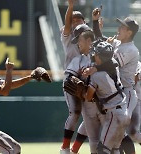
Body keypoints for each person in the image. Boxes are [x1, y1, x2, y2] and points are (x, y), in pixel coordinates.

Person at [84, 8, 140, 153]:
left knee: (123, 132)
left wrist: (96, 69)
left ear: (129, 32)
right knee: (118, 136)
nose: (119, 28)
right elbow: (101, 46)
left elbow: (112, 63)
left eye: (123, 27)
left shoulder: (131, 49)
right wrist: (95, 22)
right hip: (117, 91)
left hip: (126, 93)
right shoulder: (119, 44)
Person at [83, 41, 130, 154]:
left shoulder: (96, 76)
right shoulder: (114, 66)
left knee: (103, 150)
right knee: (115, 149)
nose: (94, 55)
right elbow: (108, 63)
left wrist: (82, 91)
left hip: (114, 114)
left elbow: (88, 97)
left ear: (99, 56)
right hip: (124, 112)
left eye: (96, 54)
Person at [60, 0, 88, 153]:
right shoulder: (68, 37)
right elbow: (67, 25)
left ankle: (74, 149)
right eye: (73, 20)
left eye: (79, 19)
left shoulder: (90, 37)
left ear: (85, 22)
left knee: (90, 117)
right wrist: (70, 7)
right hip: (71, 78)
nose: (76, 22)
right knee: (75, 113)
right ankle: (64, 148)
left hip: (89, 79)